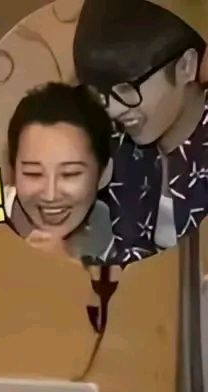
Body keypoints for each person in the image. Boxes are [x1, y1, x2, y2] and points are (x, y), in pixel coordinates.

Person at [73, 0, 208, 265]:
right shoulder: (108, 142)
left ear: (186, 65)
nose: (112, 109)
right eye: (100, 91)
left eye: (127, 88)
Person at [4, 82, 115, 263]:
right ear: (13, 172)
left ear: (104, 174)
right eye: (33, 173)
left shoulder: (127, 238)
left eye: (70, 174)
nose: (51, 195)